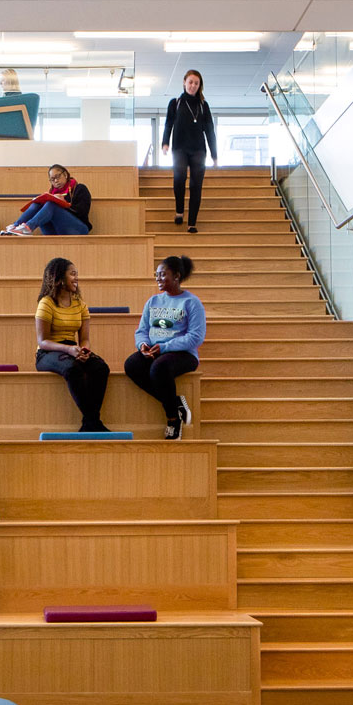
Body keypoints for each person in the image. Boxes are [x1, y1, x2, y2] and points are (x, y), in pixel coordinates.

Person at [124, 255, 205, 439]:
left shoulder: (191, 303)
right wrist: (143, 345)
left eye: (162, 274)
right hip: (155, 351)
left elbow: (195, 337)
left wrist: (165, 347)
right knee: (132, 365)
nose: (158, 278)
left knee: (159, 368)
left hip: (183, 354)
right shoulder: (153, 302)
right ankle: (175, 402)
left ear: (176, 276)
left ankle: (173, 420)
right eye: (156, 275)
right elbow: (142, 330)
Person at [33, 257, 110, 433]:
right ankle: (94, 422)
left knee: (100, 368)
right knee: (72, 369)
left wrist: (84, 350)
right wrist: (68, 349)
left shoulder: (80, 305)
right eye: (72, 274)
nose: (76, 278)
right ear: (59, 278)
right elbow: (42, 341)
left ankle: (89, 423)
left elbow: (84, 338)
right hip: (48, 352)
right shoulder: (46, 303)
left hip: (73, 350)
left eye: (77, 274)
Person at [160, 69, 217, 233]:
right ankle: (179, 210)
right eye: (190, 82)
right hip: (179, 148)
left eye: (196, 83)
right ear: (184, 82)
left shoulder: (203, 105)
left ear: (200, 86)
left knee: (196, 185)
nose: (193, 86)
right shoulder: (175, 103)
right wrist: (165, 143)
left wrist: (214, 155)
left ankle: (192, 222)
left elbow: (210, 131)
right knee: (179, 178)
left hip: (199, 150)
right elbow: (168, 124)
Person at [4, 164, 92, 236]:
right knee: (37, 204)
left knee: (51, 204)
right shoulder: (51, 193)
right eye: (52, 179)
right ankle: (15, 227)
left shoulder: (79, 188)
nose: (56, 181)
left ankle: (28, 228)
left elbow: (82, 212)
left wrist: (63, 204)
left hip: (78, 229)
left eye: (58, 176)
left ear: (65, 174)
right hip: (54, 230)